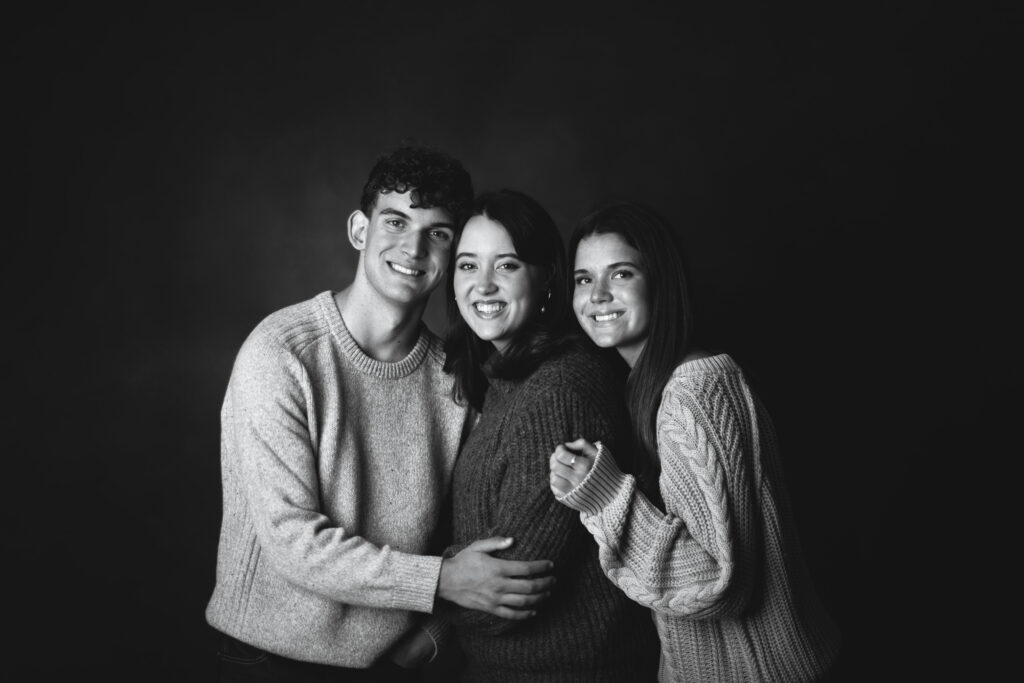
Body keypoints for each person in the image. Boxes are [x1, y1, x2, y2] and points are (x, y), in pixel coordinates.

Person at [206, 146, 556, 683]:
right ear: (359, 230)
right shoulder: (280, 352)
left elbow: (471, 539)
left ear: (452, 253)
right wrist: (439, 580)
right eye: (395, 221)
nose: (413, 247)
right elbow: (292, 540)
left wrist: (429, 640)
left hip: (391, 665)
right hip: (265, 659)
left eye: (437, 233)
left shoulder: (457, 378)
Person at [549, 202, 842, 682]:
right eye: (583, 279)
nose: (597, 295)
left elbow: (719, 584)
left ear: (660, 281)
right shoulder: (659, 384)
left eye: (620, 274)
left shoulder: (693, 390)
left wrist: (605, 495)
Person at [438, 189, 660, 682]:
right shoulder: (506, 380)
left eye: (508, 266)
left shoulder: (559, 388)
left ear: (547, 281)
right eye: (468, 266)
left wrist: (431, 587)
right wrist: (450, 575)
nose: (484, 285)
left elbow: (513, 584)